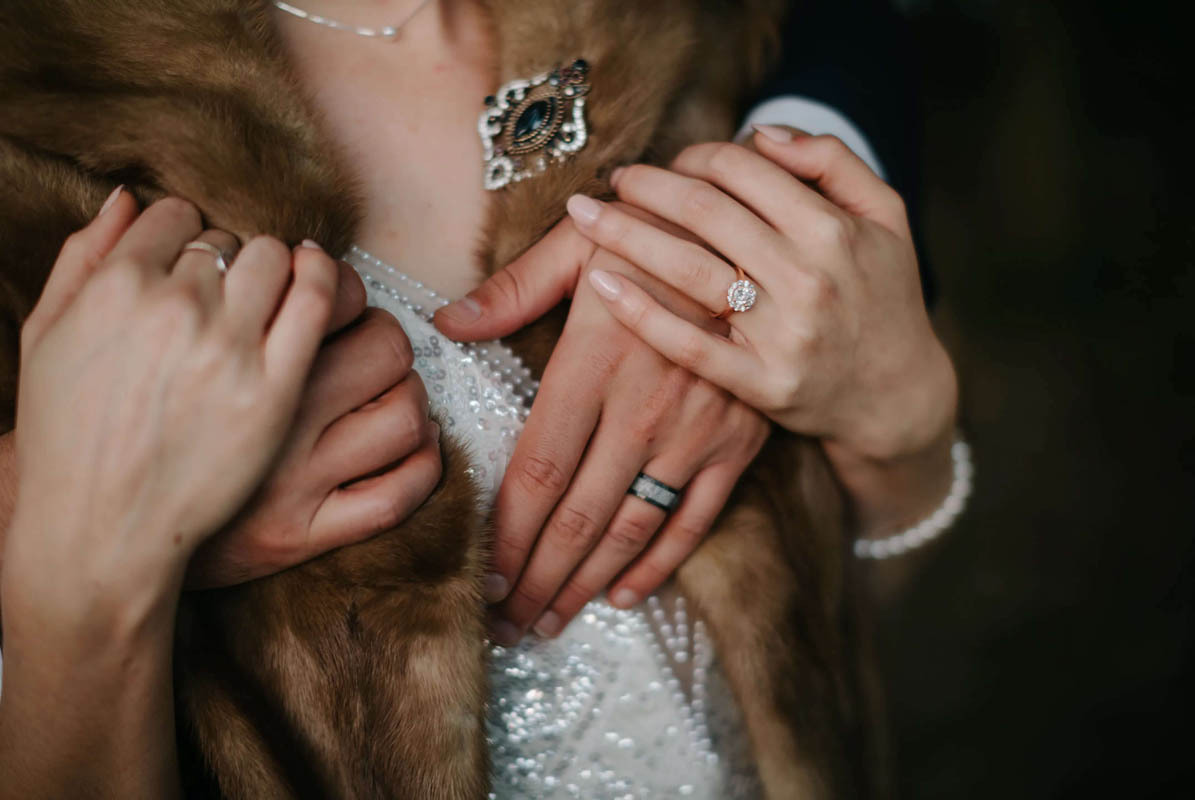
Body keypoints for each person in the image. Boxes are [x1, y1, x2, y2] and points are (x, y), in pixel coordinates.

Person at [0, 0, 965, 796]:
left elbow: (825, 628)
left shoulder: (716, 43)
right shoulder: (35, 149)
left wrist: (901, 429)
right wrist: (88, 570)